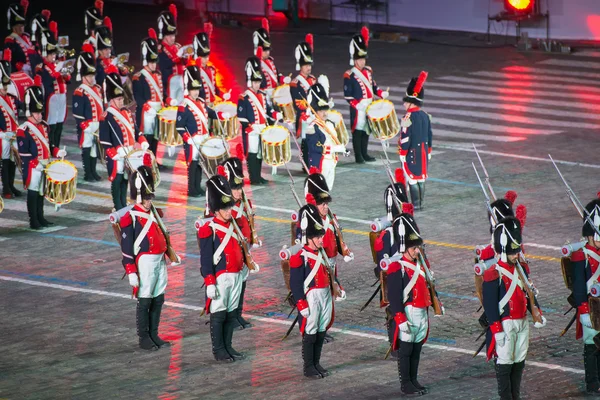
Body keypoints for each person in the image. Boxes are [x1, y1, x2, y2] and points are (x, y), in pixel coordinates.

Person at [483, 217, 546, 400]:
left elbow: (529, 293)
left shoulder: (521, 270)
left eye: (517, 251)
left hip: (522, 321)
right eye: (513, 252)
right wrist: (496, 329)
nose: (516, 255)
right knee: (505, 363)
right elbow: (490, 304)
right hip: (504, 325)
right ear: (503, 250)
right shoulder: (493, 273)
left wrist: (537, 313)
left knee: (519, 362)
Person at [119, 165, 172, 351]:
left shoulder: (154, 212)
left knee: (158, 298)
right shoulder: (129, 217)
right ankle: (144, 337)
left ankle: (154, 333)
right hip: (144, 263)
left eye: (151, 197)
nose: (150, 201)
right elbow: (126, 248)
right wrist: (131, 270)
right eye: (147, 197)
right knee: (145, 299)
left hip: (159, 260)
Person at [382, 211, 435, 395]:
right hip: (408, 312)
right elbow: (395, 296)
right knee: (406, 351)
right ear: (404, 247)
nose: (417, 250)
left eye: (417, 247)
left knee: (416, 350)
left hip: (421, 311)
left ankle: (414, 380)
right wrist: (400, 317)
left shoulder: (421, 263)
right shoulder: (397, 267)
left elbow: (428, 286)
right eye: (413, 248)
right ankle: (406, 384)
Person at [290, 202, 344, 378]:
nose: (322, 239)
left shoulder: (322, 252)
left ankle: (317, 363)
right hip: (310, 297)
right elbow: (296, 283)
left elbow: (329, 273)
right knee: (310, 332)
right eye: (319, 237)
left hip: (325, 294)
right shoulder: (300, 257)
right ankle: (308, 366)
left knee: (321, 330)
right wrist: (301, 303)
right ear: (309, 237)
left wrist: (338, 287)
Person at [198, 170, 247, 362]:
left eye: (230, 208)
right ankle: (219, 350)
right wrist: (209, 281)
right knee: (219, 315)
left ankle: (228, 346)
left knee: (231, 313)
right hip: (220, 278)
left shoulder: (234, 225)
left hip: (236, 275)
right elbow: (206, 258)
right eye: (226, 208)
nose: (230, 211)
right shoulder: (207, 229)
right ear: (216, 209)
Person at [304, 169, 351, 342]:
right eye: (321, 203)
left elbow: (337, 238)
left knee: (328, 298)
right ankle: (313, 331)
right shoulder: (307, 222)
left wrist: (344, 250)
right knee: (315, 302)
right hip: (315, 265)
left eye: (326, 203)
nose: (325, 206)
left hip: (331, 262)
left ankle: (323, 328)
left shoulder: (331, 217)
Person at [16, 77, 67, 229]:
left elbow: (49, 145)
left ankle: (41, 217)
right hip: (33, 168)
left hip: (44, 165)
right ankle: (33, 220)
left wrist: (57, 152)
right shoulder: (23, 130)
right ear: (29, 113)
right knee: (33, 193)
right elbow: (23, 152)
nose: (40, 116)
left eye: (40, 113)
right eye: (36, 113)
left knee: (41, 193)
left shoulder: (44, 126)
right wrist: (35, 163)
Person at [99, 65, 149, 210]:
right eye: (119, 99)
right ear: (111, 100)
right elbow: (104, 139)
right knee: (117, 178)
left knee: (126, 179)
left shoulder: (126, 112)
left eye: (122, 98)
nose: (122, 102)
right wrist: (113, 154)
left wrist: (142, 140)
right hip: (118, 154)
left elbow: (135, 130)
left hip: (129, 151)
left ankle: (123, 201)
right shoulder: (106, 116)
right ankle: (117, 204)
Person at [373, 169, 409, 359]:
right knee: (394, 310)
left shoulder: (407, 227)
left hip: (410, 276)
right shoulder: (386, 235)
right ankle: (395, 344)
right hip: (394, 278)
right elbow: (383, 265)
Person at [222, 148, 259, 329]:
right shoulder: (224, 206)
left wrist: (253, 238)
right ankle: (230, 317)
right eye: (234, 188)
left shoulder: (245, 201)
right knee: (233, 285)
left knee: (242, 283)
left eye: (239, 187)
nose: (238, 191)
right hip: (232, 251)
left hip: (245, 248)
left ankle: (238, 314)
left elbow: (249, 222)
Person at [176, 59, 224, 197]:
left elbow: (210, 113)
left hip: (203, 139)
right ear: (188, 89)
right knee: (192, 165)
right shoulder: (184, 106)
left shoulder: (201, 102)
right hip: (192, 141)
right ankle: (191, 189)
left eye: (197, 89)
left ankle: (198, 187)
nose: (196, 92)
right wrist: (187, 138)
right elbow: (179, 127)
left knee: (200, 165)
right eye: (193, 90)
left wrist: (221, 115)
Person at [237, 47, 282, 185]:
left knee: (259, 154)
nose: (257, 84)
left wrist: (276, 114)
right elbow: (241, 116)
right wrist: (249, 128)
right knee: (252, 153)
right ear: (250, 82)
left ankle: (259, 176)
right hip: (252, 130)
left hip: (262, 128)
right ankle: (253, 177)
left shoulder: (262, 96)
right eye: (255, 82)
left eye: (258, 82)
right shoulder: (244, 97)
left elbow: (267, 111)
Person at [343, 26, 389, 164]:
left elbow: (373, 85)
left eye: (363, 59)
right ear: (355, 60)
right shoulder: (349, 75)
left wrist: (381, 93)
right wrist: (357, 106)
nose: (363, 61)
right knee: (357, 131)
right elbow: (347, 95)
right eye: (360, 59)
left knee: (366, 130)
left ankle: (364, 153)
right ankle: (358, 156)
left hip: (368, 104)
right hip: (358, 107)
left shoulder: (368, 71)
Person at [571, 195, 600, 395]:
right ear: (590, 234)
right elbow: (579, 286)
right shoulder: (581, 255)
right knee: (592, 346)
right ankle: (592, 382)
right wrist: (583, 310)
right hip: (590, 307)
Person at [304, 76, 348, 189]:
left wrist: (340, 147)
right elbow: (316, 147)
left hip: (331, 162)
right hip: (320, 163)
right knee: (318, 191)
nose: (324, 113)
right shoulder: (312, 127)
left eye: (325, 110)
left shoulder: (330, 124)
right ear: (315, 111)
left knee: (328, 190)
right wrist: (334, 149)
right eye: (321, 111)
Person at [398, 71, 432, 211]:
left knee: (412, 179)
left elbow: (406, 138)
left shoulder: (408, 117)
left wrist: (402, 152)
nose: (404, 104)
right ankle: (420, 203)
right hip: (423, 152)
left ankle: (416, 205)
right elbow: (429, 135)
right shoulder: (425, 116)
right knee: (421, 178)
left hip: (411, 153)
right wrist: (429, 150)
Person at [72, 43, 104, 182]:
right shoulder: (80, 92)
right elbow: (77, 111)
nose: (91, 78)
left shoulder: (97, 88)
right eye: (89, 76)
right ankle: (87, 173)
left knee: (94, 150)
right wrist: (84, 125)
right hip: (87, 125)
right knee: (87, 148)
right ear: (83, 76)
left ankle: (93, 171)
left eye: (92, 75)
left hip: (97, 124)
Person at [132, 29, 164, 163]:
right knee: (147, 138)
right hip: (146, 112)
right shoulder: (138, 77)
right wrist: (146, 107)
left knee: (156, 137)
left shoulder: (157, 75)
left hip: (158, 109)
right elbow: (138, 97)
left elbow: (162, 93)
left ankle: (154, 159)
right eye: (151, 62)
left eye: (154, 62)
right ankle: (146, 161)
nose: (153, 64)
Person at [37, 20, 70, 150]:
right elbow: (47, 81)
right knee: (52, 122)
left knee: (60, 122)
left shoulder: (57, 64)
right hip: (51, 97)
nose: (53, 56)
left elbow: (67, 80)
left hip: (62, 96)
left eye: (54, 54)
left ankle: (56, 145)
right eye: (51, 54)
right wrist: (57, 71)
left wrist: (66, 71)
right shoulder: (42, 67)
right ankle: (50, 146)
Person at [290, 34, 316, 168]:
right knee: (305, 142)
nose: (308, 67)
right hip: (304, 116)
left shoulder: (313, 79)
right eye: (305, 65)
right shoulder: (295, 83)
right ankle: (305, 164)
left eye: (309, 64)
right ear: (300, 65)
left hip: (314, 115)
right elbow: (297, 102)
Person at [0, 49, 22, 199]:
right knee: (5, 162)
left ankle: (12, 185)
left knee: (13, 162)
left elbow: (21, 107)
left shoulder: (11, 98)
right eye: (3, 85)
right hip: (2, 137)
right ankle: (6, 188)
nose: (5, 88)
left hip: (12, 135)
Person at [193, 23, 231, 108]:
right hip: (200, 106)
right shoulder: (192, 71)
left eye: (207, 57)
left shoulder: (211, 70)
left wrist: (223, 94)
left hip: (212, 105)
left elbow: (214, 88)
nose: (206, 59)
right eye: (203, 57)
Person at [252, 18, 289, 97]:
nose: (268, 53)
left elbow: (277, 76)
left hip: (274, 93)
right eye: (265, 51)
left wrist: (283, 79)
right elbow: (259, 83)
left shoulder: (270, 61)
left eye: (268, 50)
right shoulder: (254, 64)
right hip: (263, 95)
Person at [157, 4, 185, 104]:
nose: (172, 38)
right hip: (168, 88)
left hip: (182, 86)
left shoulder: (178, 46)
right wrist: (176, 58)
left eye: (173, 35)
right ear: (164, 36)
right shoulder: (160, 50)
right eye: (169, 36)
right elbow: (164, 67)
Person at [4, 1, 34, 76]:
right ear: (14, 27)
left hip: (33, 72)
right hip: (20, 74)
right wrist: (22, 66)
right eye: (19, 25)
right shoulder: (10, 41)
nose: (22, 28)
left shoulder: (27, 37)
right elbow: (9, 61)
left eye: (22, 25)